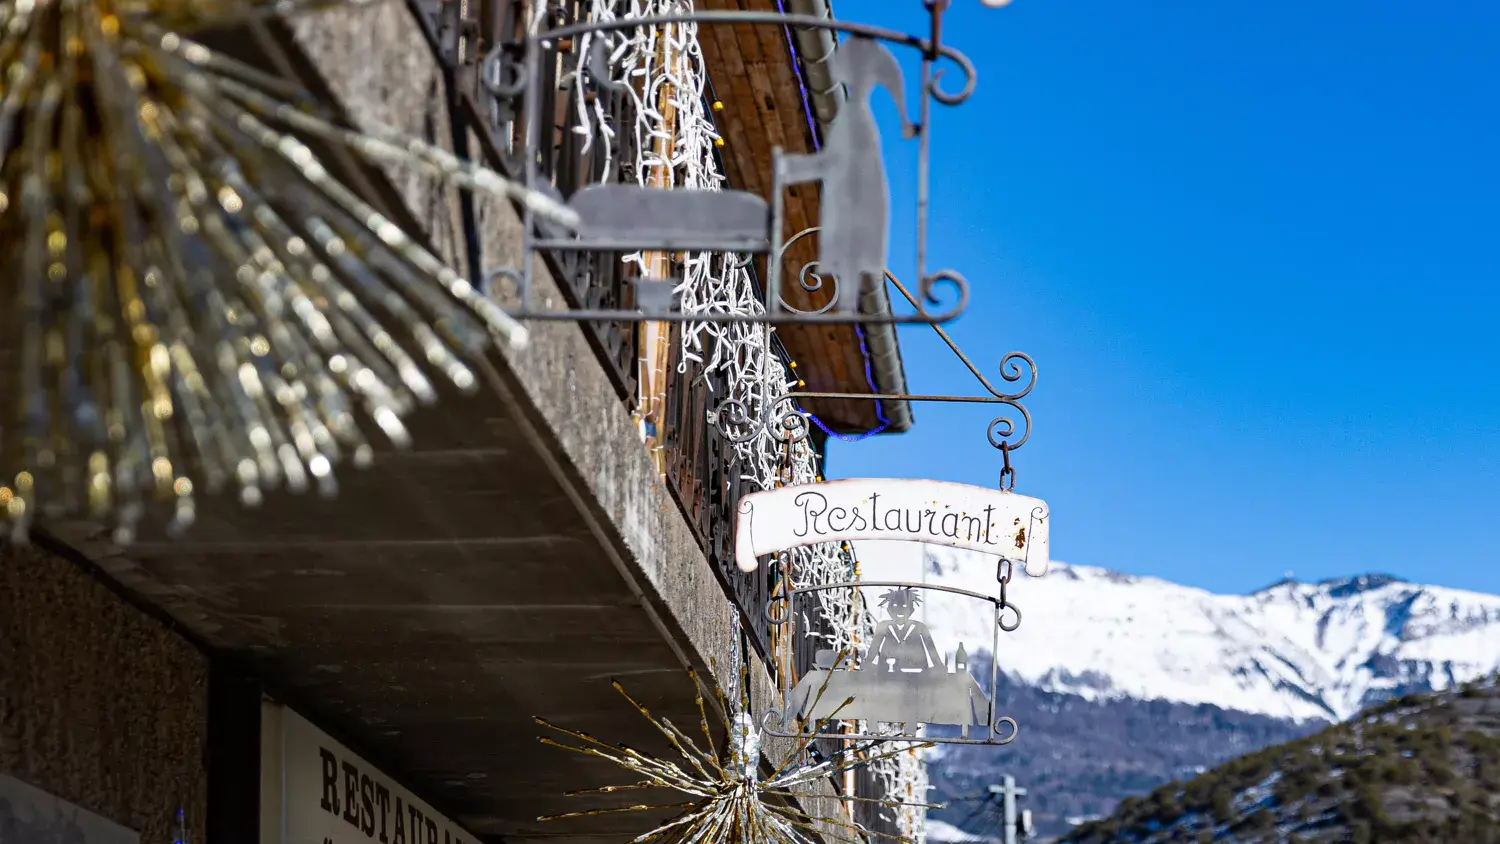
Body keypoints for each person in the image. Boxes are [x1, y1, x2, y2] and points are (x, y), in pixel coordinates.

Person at [863, 587, 943, 673]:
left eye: (904, 606)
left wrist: (938, 667)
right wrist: (869, 665)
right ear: (889, 609)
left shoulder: (920, 627)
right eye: (894, 606)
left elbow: (932, 653)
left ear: (911, 610)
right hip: (888, 677)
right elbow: (872, 652)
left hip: (918, 676)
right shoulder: (883, 627)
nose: (899, 610)